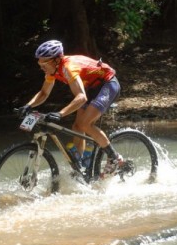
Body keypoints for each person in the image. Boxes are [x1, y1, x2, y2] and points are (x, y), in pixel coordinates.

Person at [17, 40, 123, 177]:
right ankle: (81, 168)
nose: (41, 66)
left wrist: (60, 114)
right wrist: (28, 106)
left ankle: (114, 157)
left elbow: (81, 97)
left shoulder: (68, 67)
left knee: (85, 124)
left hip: (107, 84)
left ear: (57, 60)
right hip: (91, 87)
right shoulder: (52, 70)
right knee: (77, 126)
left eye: (44, 63)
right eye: (39, 63)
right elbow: (44, 93)